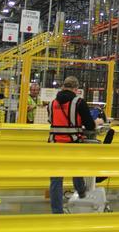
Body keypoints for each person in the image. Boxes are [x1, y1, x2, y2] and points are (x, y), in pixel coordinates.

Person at [48, 76, 96, 214]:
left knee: (56, 179)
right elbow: (89, 125)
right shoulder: (79, 102)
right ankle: (81, 193)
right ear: (76, 89)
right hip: (73, 143)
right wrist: (96, 122)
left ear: (63, 86)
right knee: (76, 168)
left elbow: (51, 120)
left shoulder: (52, 103)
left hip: (55, 144)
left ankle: (56, 212)